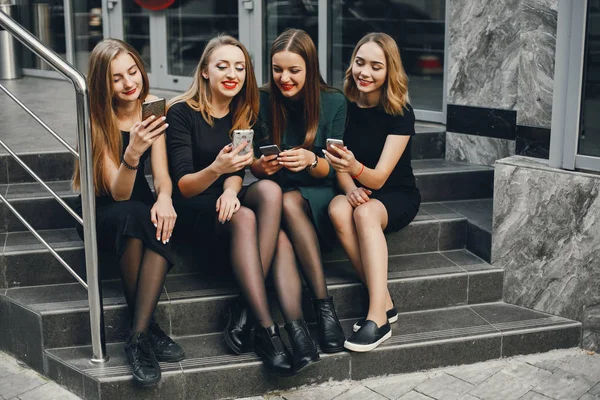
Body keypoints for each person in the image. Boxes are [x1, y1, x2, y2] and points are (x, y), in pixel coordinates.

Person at [165, 35, 295, 376]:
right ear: (205, 71)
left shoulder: (244, 112)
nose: (231, 73)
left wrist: (232, 188)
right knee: (246, 219)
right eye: (222, 66)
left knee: (268, 190)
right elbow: (184, 186)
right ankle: (267, 329)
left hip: (224, 196)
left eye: (239, 67)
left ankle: (243, 307)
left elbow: (237, 172)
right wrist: (218, 171)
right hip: (192, 206)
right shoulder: (181, 112)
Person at [72, 39, 185, 387]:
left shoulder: (151, 108)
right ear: (103, 85)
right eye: (116, 78)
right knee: (132, 215)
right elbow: (117, 192)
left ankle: (137, 335)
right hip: (103, 209)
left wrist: (165, 198)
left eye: (132, 71)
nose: (128, 83)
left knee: (151, 214)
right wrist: (133, 153)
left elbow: (163, 177)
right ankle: (145, 331)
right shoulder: (95, 119)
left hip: (137, 207)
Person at [251, 28, 346, 354]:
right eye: (278, 69)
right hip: (277, 195)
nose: (284, 78)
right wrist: (261, 167)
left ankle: (323, 306)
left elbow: (335, 168)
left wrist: (310, 159)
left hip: (318, 193)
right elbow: (251, 161)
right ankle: (301, 329)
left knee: (291, 203)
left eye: (294, 70)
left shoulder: (333, 101)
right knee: (280, 228)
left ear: (310, 67)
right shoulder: (262, 99)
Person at [324, 33, 421, 352]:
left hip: (396, 194)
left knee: (365, 212)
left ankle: (377, 318)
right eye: (359, 63)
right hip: (356, 186)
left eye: (375, 66)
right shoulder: (343, 105)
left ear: (389, 71)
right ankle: (386, 301)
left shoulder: (400, 112)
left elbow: (379, 178)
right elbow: (337, 162)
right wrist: (350, 188)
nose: (365, 72)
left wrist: (354, 171)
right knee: (339, 208)